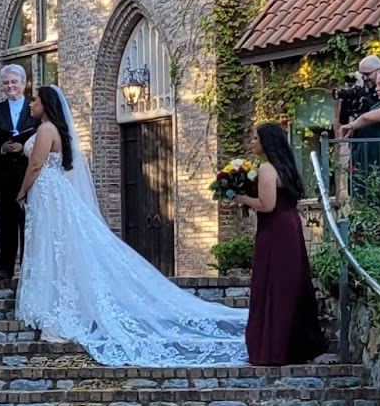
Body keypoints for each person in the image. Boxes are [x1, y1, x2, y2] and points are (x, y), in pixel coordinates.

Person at [15, 84, 248, 366]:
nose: (31, 104)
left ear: (47, 104)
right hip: (54, 193)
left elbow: (37, 164)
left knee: (54, 250)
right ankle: (58, 306)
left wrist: (22, 191)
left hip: (47, 192)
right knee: (57, 250)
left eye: (35, 100)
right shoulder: (57, 129)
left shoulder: (45, 130)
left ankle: (60, 314)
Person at [235, 122, 326, 366]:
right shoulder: (284, 166)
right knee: (287, 282)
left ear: (266, 142)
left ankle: (273, 348)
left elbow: (267, 205)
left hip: (275, 229)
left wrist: (241, 197)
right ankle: (293, 345)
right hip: (290, 225)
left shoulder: (266, 168)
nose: (252, 142)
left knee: (272, 283)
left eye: (255, 138)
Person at [0, 64, 39, 280]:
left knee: (28, 222)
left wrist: (22, 148)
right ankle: (5, 268)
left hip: (27, 174)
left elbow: (40, 137)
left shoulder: (34, 109)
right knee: (5, 223)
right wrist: (2, 148)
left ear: (23, 84)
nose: (10, 86)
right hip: (3, 175)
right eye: (6, 83)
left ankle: (28, 268)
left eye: (14, 82)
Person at [338, 66, 380, 182]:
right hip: (365, 161)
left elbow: (367, 118)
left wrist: (352, 125)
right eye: (377, 85)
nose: (377, 89)